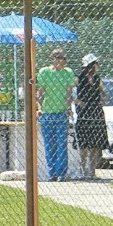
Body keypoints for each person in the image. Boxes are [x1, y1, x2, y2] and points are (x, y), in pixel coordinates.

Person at [36, 48, 75, 182]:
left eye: (63, 58)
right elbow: (40, 92)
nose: (60, 61)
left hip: (61, 112)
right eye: (57, 58)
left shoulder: (68, 73)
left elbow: (69, 92)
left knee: (61, 144)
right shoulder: (44, 72)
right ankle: (52, 172)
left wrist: (69, 107)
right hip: (47, 113)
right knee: (49, 144)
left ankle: (61, 173)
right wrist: (39, 108)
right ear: (52, 59)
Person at [74, 53, 108, 180]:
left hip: (96, 111)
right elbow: (72, 93)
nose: (96, 66)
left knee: (94, 144)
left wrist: (104, 98)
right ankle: (83, 170)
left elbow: (103, 92)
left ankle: (92, 172)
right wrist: (79, 103)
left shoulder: (97, 78)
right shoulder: (80, 78)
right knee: (84, 144)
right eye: (94, 64)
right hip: (84, 112)